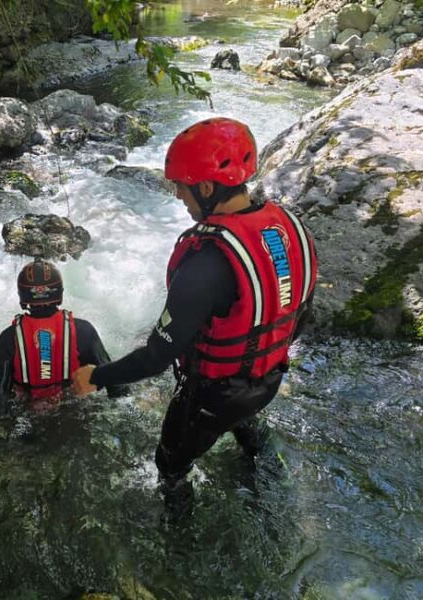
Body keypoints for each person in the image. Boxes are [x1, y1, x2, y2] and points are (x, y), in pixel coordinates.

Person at [71, 117, 318, 515]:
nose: (180, 199)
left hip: (212, 395)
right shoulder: (289, 228)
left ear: (207, 188)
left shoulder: (208, 260)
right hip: (267, 378)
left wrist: (95, 377)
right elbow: (300, 313)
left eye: (182, 190)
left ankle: (180, 545)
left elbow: (156, 357)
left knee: (170, 466)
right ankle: (270, 474)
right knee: (245, 420)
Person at [0, 257, 126, 424]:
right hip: (73, 415)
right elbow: (114, 383)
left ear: (23, 297)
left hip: (28, 416)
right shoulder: (83, 331)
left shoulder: (7, 339)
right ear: (59, 292)